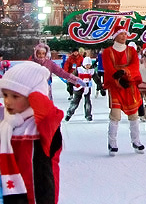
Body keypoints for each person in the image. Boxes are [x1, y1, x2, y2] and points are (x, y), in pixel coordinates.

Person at [0, 61, 63, 203]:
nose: (8, 101)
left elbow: (48, 114)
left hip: (38, 196)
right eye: (5, 95)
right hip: (10, 193)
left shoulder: (43, 126)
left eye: (15, 96)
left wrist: (36, 92)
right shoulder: (5, 122)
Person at [102, 25, 144, 155]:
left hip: (129, 85)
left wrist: (125, 72)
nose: (124, 36)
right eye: (121, 34)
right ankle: (112, 143)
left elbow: (135, 65)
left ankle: (136, 141)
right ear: (115, 36)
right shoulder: (107, 52)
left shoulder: (131, 51)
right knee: (115, 115)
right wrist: (118, 79)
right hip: (116, 86)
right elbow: (109, 69)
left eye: (125, 34)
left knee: (134, 115)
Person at [65, 56, 94, 121]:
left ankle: (88, 115)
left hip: (87, 88)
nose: (88, 66)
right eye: (87, 65)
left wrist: (101, 87)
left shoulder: (91, 71)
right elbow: (72, 77)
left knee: (88, 102)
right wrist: (70, 83)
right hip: (78, 88)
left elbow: (97, 79)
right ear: (84, 64)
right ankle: (69, 114)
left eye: (89, 65)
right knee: (75, 102)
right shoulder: (78, 69)